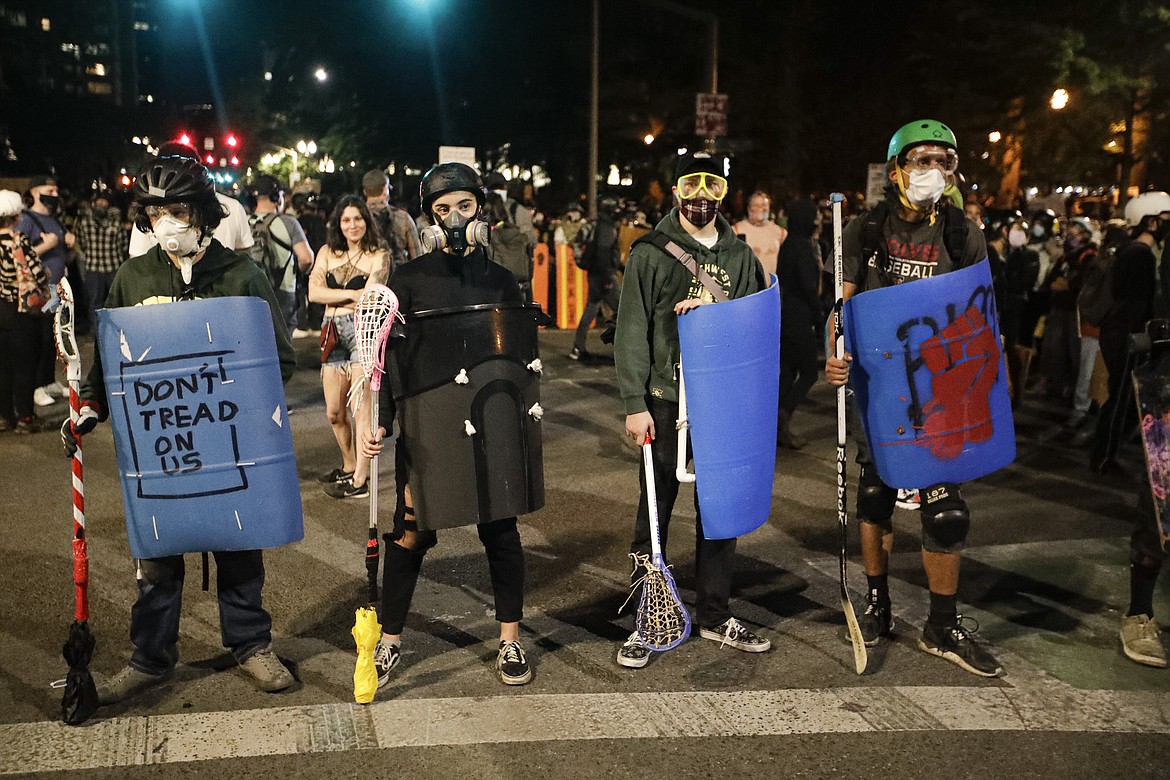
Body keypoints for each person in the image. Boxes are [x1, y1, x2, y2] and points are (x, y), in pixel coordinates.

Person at [61, 155, 296, 704]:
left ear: (204, 213)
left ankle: (250, 643)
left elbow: (277, 360)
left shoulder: (242, 275)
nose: (168, 221)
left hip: (229, 441)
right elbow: (108, 364)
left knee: (239, 547)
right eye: (156, 211)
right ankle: (150, 657)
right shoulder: (133, 277)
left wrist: (240, 397)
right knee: (158, 559)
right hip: (160, 448)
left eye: (180, 209)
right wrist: (91, 405)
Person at [825, 119, 1001, 677]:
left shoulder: (962, 233)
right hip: (881, 381)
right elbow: (843, 304)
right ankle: (878, 604)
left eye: (944, 162)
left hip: (941, 383)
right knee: (876, 493)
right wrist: (834, 352)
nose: (933, 173)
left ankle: (942, 624)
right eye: (921, 161)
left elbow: (979, 309)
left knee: (945, 511)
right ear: (897, 169)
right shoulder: (865, 229)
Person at [359, 162, 533, 687]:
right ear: (429, 219)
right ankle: (389, 640)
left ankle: (510, 640)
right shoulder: (408, 280)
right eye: (441, 210)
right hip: (427, 424)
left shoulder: (504, 281)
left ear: (481, 209)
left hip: (491, 420)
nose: (453, 219)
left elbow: (519, 360)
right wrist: (381, 421)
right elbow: (389, 357)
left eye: (463, 206)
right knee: (410, 534)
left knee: (501, 530)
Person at [614, 151, 771, 668]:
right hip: (662, 401)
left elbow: (754, 326)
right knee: (654, 510)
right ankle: (645, 613)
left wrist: (716, 312)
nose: (701, 198)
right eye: (691, 186)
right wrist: (634, 404)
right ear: (675, 190)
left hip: (719, 400)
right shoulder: (650, 253)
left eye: (714, 188)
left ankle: (714, 612)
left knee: (718, 509)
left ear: (725, 193)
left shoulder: (740, 256)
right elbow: (632, 330)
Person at [308, 196, 388, 499]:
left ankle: (360, 480)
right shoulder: (327, 252)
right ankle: (349, 464)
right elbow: (313, 293)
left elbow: (371, 297)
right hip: (331, 334)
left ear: (366, 221)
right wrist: (352, 294)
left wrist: (335, 295)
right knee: (333, 411)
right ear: (338, 224)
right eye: (346, 220)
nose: (352, 225)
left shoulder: (379, 255)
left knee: (361, 410)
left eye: (358, 219)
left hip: (363, 333)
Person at [128, 142, 254, 257]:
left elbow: (244, 256)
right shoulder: (148, 213)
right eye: (155, 213)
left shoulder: (231, 208)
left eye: (178, 212)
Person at [16, 174, 73, 407]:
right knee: (37, 339)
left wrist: (69, 247)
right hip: (39, 291)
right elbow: (19, 256)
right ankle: (36, 388)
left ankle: (48, 381)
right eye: (49, 192)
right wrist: (46, 246)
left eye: (56, 191)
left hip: (57, 289)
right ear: (34, 193)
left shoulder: (55, 220)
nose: (55, 196)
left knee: (53, 337)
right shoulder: (27, 220)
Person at [0, 189, 50, 433]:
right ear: (14, 215)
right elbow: (37, 273)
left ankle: (4, 416)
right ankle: (26, 418)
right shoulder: (18, 241)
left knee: (3, 366)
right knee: (24, 365)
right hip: (19, 310)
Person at [775, 199, 822, 449]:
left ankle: (775, 425)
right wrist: (819, 313)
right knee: (810, 372)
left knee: (788, 372)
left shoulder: (788, 244)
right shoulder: (802, 247)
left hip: (786, 315)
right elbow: (807, 285)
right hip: (799, 317)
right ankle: (783, 415)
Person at [248, 175, 314, 339]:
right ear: (276, 197)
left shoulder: (244, 221)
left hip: (251, 292)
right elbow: (306, 258)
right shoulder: (289, 222)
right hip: (283, 291)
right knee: (282, 344)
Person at [569, 195, 622, 360]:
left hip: (594, 274)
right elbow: (604, 253)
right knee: (624, 311)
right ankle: (623, 348)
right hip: (605, 276)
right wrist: (608, 277)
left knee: (591, 309)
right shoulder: (607, 228)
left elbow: (576, 243)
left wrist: (582, 262)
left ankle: (578, 348)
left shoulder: (592, 225)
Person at [74, 191, 129, 333]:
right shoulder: (84, 221)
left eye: (104, 201)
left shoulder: (116, 221)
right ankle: (96, 329)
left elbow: (124, 243)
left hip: (113, 267)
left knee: (116, 300)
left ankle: (117, 329)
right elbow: (79, 242)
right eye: (99, 201)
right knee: (94, 301)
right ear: (93, 203)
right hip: (93, 267)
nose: (101, 204)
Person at [362, 169, 422, 273]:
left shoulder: (355, 218)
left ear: (365, 191)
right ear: (385, 190)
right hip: (398, 279)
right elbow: (417, 259)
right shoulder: (403, 218)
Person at [733, 191, 788, 278]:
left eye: (764, 205)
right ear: (749, 209)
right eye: (756, 205)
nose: (761, 208)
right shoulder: (736, 231)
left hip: (772, 288)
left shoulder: (780, 233)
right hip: (749, 288)